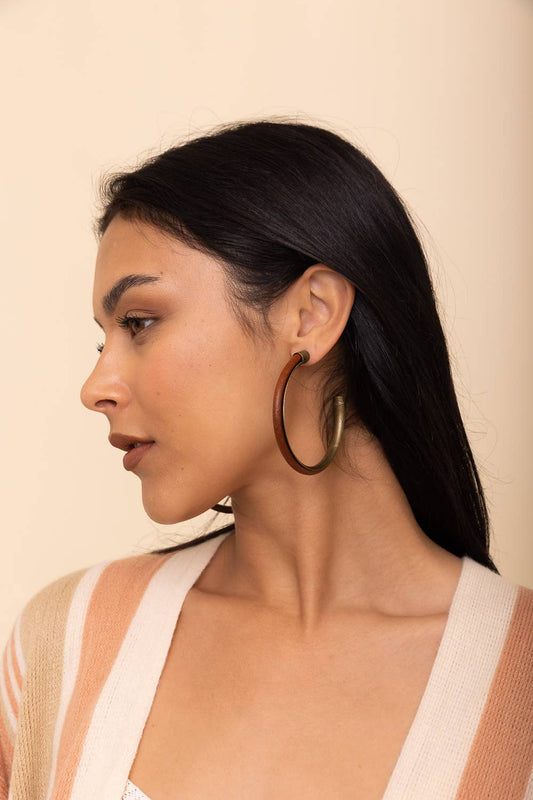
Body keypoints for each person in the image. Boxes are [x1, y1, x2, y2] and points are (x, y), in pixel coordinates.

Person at [1, 120, 531, 800]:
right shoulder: (63, 644)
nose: (96, 387)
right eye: (102, 340)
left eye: (139, 323)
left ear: (310, 315)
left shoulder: (516, 675)